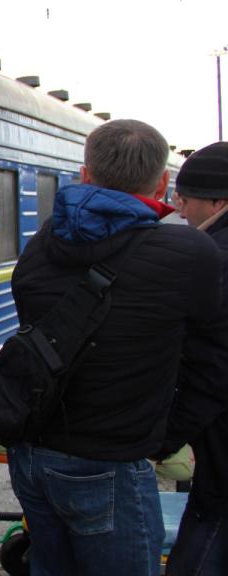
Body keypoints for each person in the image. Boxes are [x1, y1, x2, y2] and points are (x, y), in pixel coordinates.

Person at [5, 120, 224, 574]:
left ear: (85, 175)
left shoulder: (42, 245)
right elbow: (211, 359)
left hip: (31, 452)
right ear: (162, 183)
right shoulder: (191, 254)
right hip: (112, 458)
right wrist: (165, 438)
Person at [161, 141, 228, 575]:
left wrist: (162, 439)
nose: (180, 210)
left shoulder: (217, 261)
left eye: (186, 200)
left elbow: (213, 370)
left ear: (219, 202)